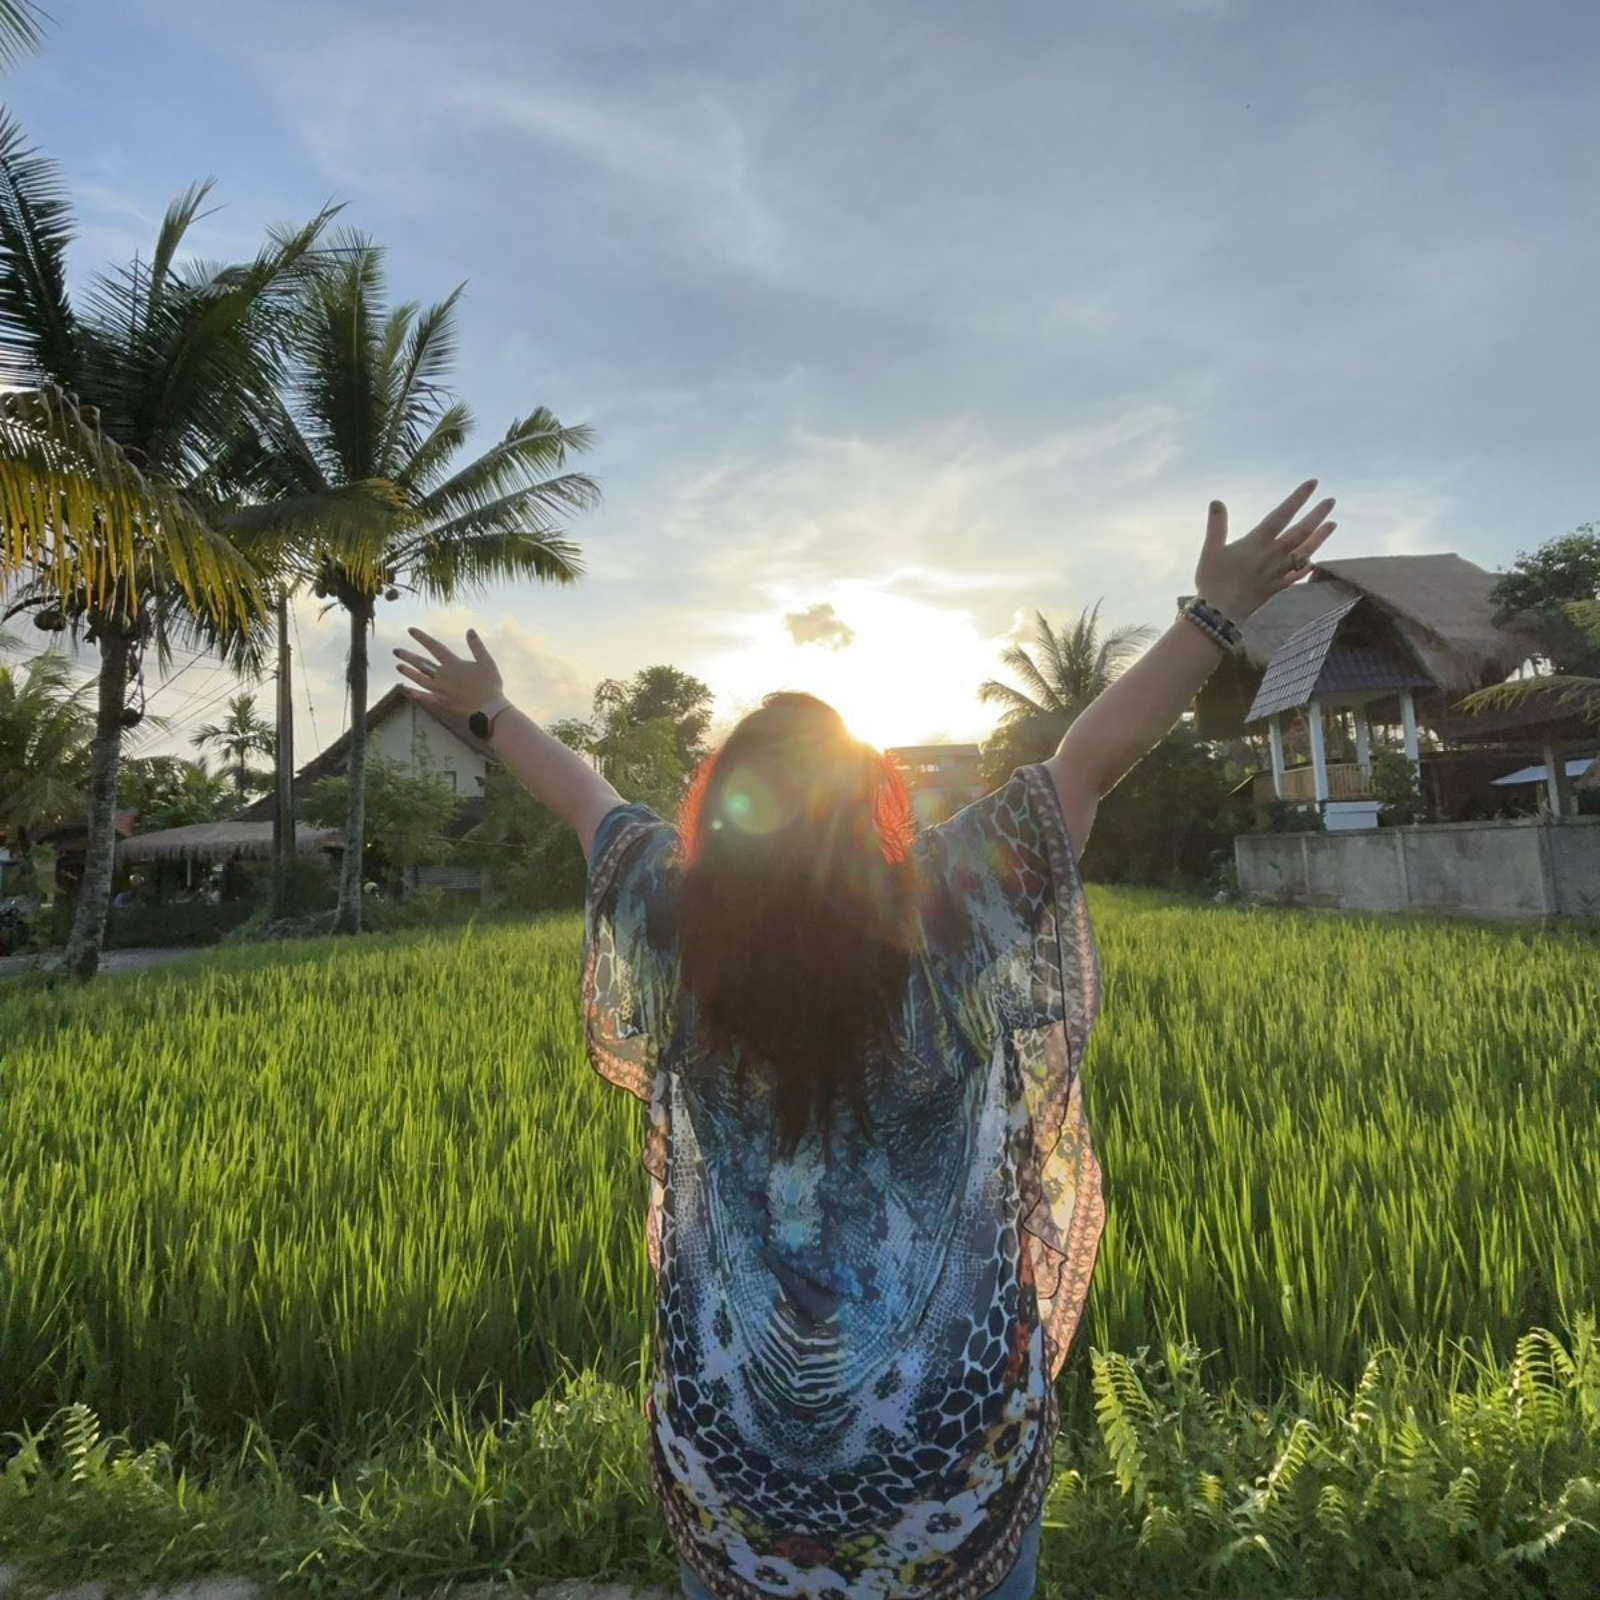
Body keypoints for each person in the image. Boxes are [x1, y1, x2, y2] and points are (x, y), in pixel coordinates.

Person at [393, 480, 1336, 1600]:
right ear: (869, 803)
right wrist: (1210, 620)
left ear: (722, 804)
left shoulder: (668, 911)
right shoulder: (940, 908)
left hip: (732, 1466)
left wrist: (491, 714)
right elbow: (1083, 765)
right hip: (948, 1468)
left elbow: (583, 798)